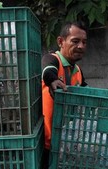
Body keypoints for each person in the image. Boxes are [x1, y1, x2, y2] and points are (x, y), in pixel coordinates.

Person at [41, 21, 89, 151]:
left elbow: (90, 96)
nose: (81, 46)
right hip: (47, 145)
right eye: (75, 41)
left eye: (84, 42)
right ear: (61, 42)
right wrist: (52, 80)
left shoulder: (78, 71)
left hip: (65, 145)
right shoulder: (53, 60)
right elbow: (48, 70)